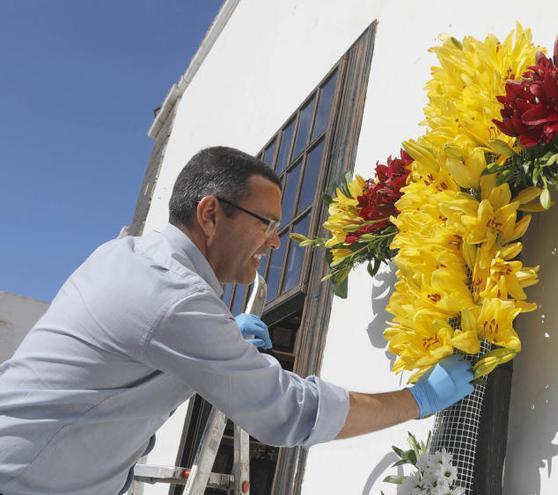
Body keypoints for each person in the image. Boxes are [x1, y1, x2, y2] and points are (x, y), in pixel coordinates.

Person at [0, 146, 474, 495]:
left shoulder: (129, 257)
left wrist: (222, 338)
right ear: (210, 214)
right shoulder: (173, 296)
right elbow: (286, 410)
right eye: (266, 223)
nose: (274, 242)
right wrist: (418, 399)